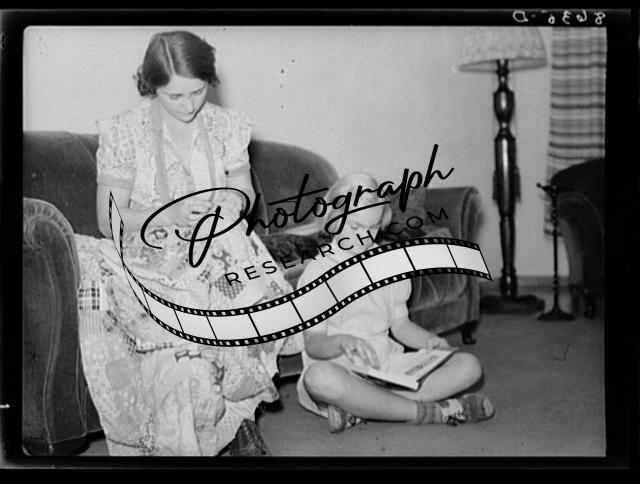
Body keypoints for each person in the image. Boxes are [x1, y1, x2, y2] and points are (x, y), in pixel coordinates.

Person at [74, 30, 300, 456]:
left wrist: (225, 206)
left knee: (243, 296)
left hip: (215, 246)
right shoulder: (125, 131)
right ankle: (204, 429)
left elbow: (244, 194)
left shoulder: (227, 125)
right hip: (151, 255)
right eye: (174, 96)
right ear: (151, 85)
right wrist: (169, 214)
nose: (188, 104)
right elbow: (109, 219)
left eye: (197, 92)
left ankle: (237, 419)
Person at [289, 173, 495, 433]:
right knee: (318, 379)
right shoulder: (318, 273)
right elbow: (314, 344)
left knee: (469, 366)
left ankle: (367, 408)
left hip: (385, 367)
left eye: (373, 227)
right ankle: (430, 411)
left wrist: (429, 342)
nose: (364, 237)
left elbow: (400, 325)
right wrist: (340, 342)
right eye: (355, 227)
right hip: (341, 369)